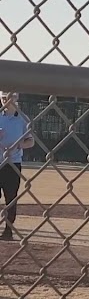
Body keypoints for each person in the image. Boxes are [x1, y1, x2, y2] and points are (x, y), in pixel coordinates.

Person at [0, 91, 34, 241]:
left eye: (9, 97)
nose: (5, 101)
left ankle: (8, 229)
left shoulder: (23, 119)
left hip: (13, 164)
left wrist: (19, 144)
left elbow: (30, 141)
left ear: (16, 98)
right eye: (2, 98)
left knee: (11, 197)